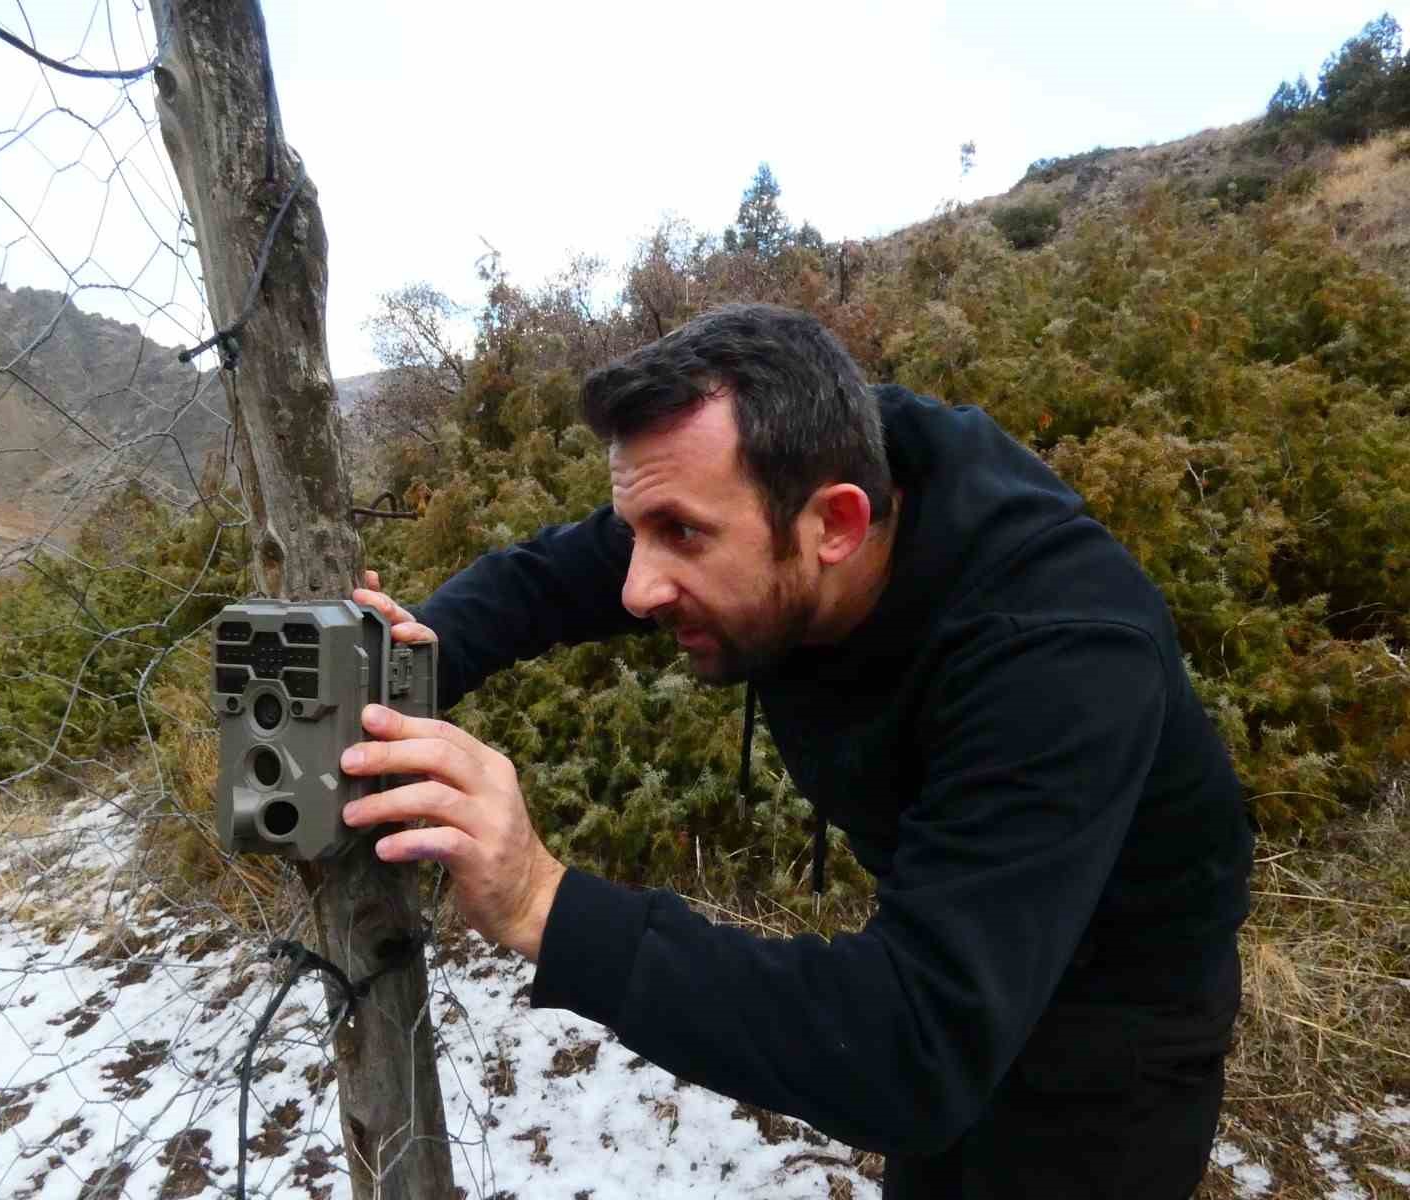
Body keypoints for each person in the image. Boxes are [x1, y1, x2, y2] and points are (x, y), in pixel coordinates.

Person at [339, 303, 1253, 1198]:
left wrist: (546, 902)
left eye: (682, 536)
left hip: (1108, 1044)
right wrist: (411, 663)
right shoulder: (799, 458)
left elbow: (913, 1050)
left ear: (836, 526)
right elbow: (550, 575)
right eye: (636, 531)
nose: (635, 587)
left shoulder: (1057, 655)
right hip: (958, 951)